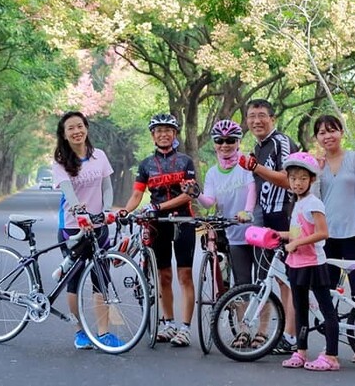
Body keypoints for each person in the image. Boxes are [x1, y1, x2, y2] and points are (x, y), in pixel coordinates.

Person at [119, 113, 197, 347]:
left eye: (168, 130)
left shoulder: (186, 161)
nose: (163, 134)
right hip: (156, 223)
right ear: (153, 135)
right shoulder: (146, 164)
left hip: (183, 220)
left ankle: (185, 328)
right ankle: (168, 323)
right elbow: (136, 195)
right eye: (159, 131)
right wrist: (124, 211)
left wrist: (159, 206)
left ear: (174, 134)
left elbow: (189, 194)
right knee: (163, 275)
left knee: (185, 275)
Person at [51, 111, 117, 349]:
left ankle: (104, 332)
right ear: (65, 134)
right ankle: (80, 331)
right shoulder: (60, 162)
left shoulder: (99, 156)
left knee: (101, 279)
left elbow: (107, 187)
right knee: (75, 280)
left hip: (99, 226)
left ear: (86, 128)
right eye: (71, 128)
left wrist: (107, 211)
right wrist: (80, 213)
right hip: (72, 227)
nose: (76, 131)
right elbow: (68, 192)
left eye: (80, 126)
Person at [240, 98, 299, 353]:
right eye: (252, 116)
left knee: (289, 278)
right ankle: (272, 333)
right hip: (265, 216)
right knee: (270, 275)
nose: (257, 121)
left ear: (272, 118)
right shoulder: (258, 146)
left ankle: (291, 336)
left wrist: (257, 167)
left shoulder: (280, 142)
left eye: (262, 115)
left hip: (286, 214)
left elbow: (289, 180)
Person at [276, 152, 340, 371]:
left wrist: (295, 243)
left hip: (313, 263)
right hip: (296, 263)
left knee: (326, 309)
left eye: (303, 178)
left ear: (312, 179)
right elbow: (298, 231)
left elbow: (323, 233)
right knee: (300, 308)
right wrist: (279, 234)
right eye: (293, 178)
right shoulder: (298, 203)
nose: (298, 183)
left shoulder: (314, 203)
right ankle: (301, 351)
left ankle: (331, 356)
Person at [312, 115, 355, 296]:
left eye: (332, 130)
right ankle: (329, 325)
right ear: (316, 138)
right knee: (325, 291)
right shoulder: (314, 165)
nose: (328, 136)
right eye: (322, 133)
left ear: (341, 132)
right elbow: (310, 200)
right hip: (326, 236)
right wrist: (315, 173)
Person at [196, 119, 261, 287]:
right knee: (242, 286)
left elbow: (252, 189)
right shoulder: (212, 173)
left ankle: (264, 314)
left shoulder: (246, 163)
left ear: (238, 142)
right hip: (234, 236)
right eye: (219, 140)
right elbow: (209, 203)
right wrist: (196, 194)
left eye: (230, 140)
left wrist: (247, 211)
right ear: (214, 143)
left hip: (256, 232)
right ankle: (242, 314)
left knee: (261, 286)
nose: (225, 145)